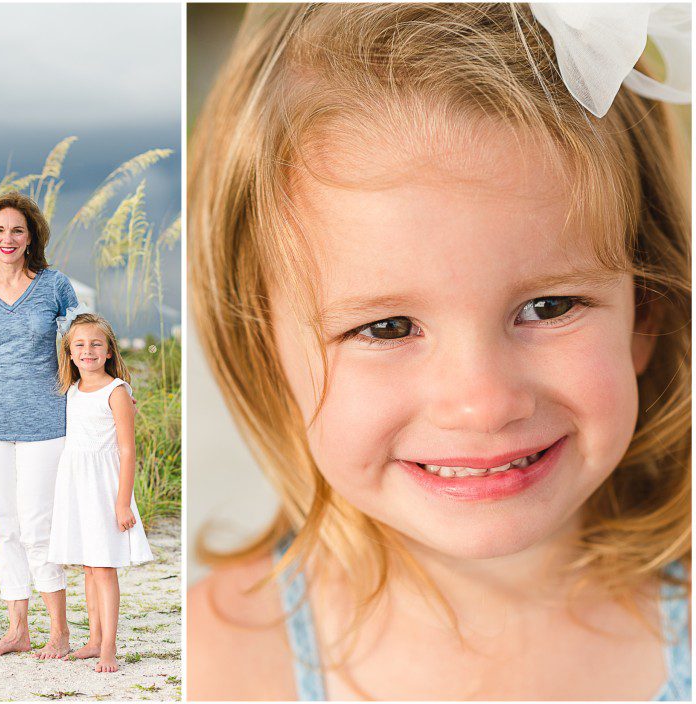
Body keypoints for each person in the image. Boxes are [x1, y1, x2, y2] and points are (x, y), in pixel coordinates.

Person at [187, 4, 690, 700]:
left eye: (549, 308)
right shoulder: (216, 663)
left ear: (649, 313)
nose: (482, 403)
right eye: (388, 328)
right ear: (263, 347)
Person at [0, 191, 79, 659]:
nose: (8, 238)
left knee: (38, 525)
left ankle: (59, 630)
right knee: (6, 526)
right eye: (0, 230)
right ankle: (17, 629)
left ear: (32, 238)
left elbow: (84, 341)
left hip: (47, 422)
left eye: (17, 231)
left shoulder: (55, 285)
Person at [48, 312, 153, 673]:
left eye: (96, 344)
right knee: (89, 567)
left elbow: (127, 450)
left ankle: (109, 646)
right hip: (76, 484)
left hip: (105, 487)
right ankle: (93, 639)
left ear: (109, 351)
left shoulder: (117, 391)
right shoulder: (72, 390)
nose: (87, 351)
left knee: (104, 567)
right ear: (70, 352)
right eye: (79, 345)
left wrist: (123, 502)